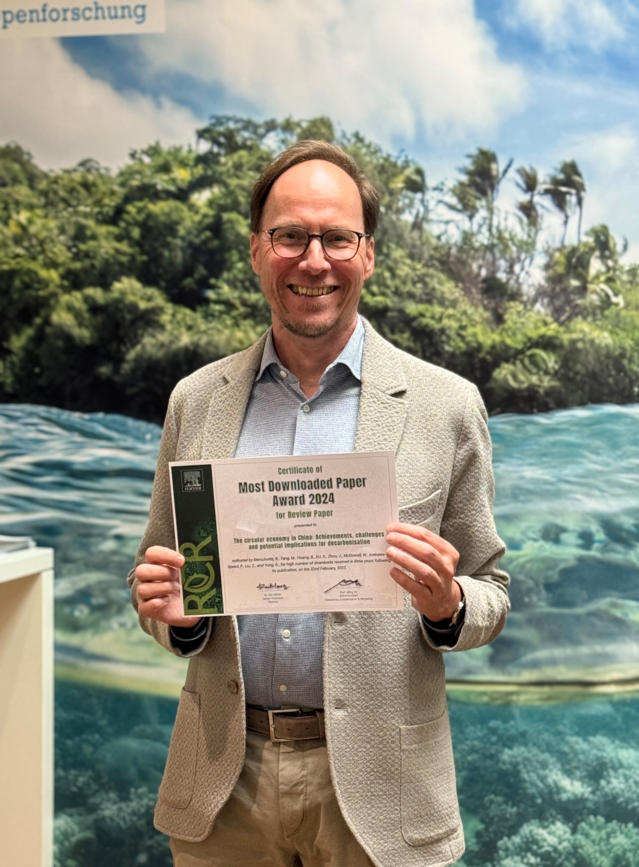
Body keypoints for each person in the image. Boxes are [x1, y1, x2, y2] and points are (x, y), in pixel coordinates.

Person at [128, 140, 509, 867]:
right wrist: (172, 620)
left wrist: (447, 605)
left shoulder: (447, 406)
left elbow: (490, 591)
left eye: (337, 237)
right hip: (223, 785)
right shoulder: (195, 402)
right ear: (256, 250)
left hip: (383, 788)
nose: (313, 260)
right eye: (290, 235)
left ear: (367, 254)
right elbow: (159, 578)